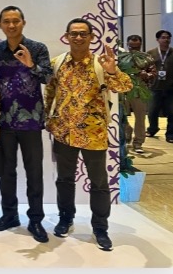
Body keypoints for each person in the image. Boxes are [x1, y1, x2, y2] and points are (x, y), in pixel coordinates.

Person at [44, 18, 132, 252]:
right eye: (74, 33)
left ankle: (100, 228)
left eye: (83, 34)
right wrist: (48, 119)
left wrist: (112, 70)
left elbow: (124, 87)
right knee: (64, 179)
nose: (78, 37)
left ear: (91, 37)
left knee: (99, 183)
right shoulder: (58, 63)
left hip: (94, 133)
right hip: (63, 132)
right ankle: (66, 219)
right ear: (66, 36)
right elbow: (50, 93)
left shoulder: (101, 64)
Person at [0, 6, 52, 243]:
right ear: (0, 25)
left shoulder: (37, 48)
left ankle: (35, 219)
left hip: (31, 121)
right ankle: (9, 215)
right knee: (6, 172)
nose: (11, 25)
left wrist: (30, 64)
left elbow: (48, 77)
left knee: (34, 172)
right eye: (6, 21)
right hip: (4, 121)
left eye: (16, 21)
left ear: (23, 22)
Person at [123, 35, 156, 153]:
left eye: (136, 47)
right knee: (121, 117)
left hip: (140, 92)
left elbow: (153, 73)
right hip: (124, 92)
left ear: (141, 45)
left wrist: (146, 75)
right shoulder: (123, 58)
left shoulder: (147, 58)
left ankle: (138, 143)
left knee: (140, 118)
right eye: (131, 47)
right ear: (127, 45)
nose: (134, 50)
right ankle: (127, 132)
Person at [146, 30, 173, 143]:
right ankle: (152, 129)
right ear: (157, 39)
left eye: (168, 37)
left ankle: (170, 134)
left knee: (171, 112)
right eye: (163, 37)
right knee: (152, 111)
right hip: (154, 87)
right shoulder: (150, 53)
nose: (166, 39)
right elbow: (145, 68)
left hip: (170, 88)